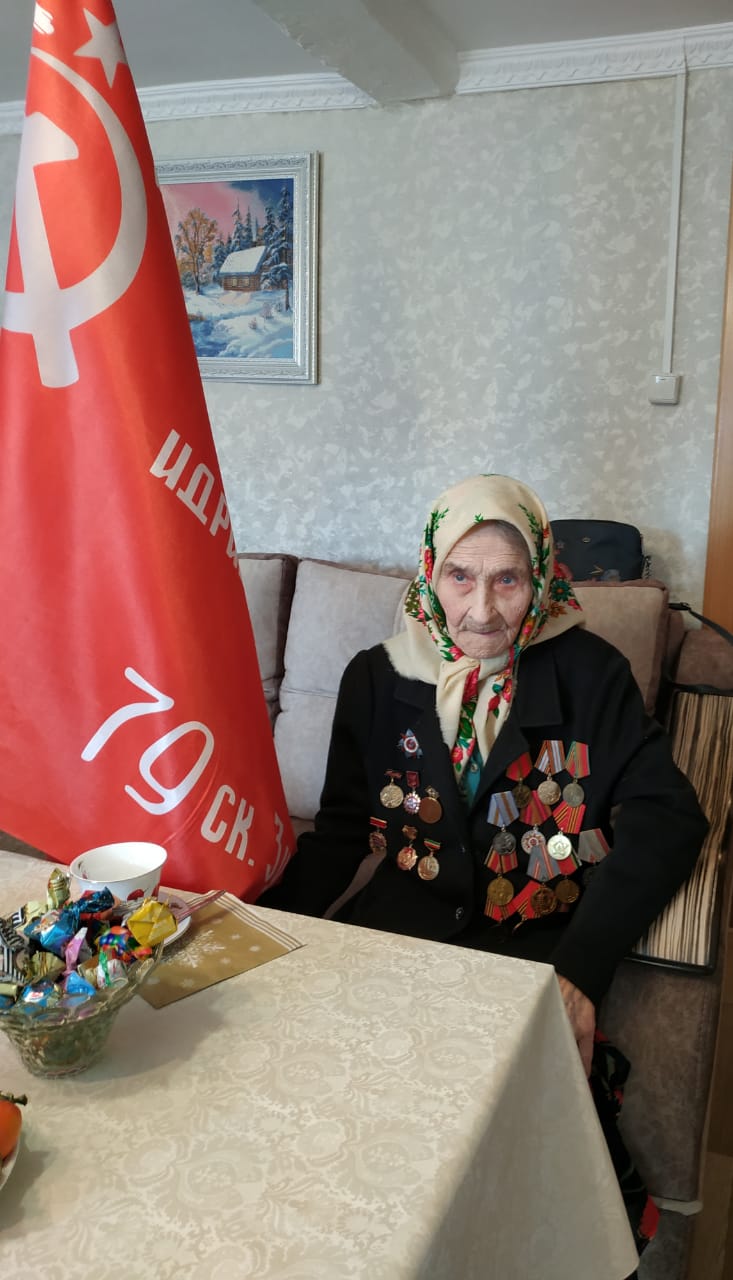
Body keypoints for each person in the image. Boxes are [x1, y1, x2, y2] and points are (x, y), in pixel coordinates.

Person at [261, 473, 707, 1259]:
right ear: (428, 574)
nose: (481, 610)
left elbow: (668, 818)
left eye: (508, 579)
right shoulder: (377, 676)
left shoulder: (590, 675)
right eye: (459, 577)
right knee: (332, 1125)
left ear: (542, 577)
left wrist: (579, 973)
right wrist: (262, 926)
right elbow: (340, 831)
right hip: (395, 938)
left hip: (525, 949)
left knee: (527, 1176)